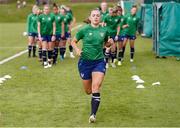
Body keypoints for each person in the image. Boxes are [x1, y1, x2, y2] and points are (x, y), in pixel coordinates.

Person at [71, 9, 113, 123]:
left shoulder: (104, 30)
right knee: (88, 91)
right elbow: (73, 41)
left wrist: (111, 42)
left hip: (99, 62)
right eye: (93, 15)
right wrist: (77, 49)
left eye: (98, 16)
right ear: (90, 17)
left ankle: (93, 115)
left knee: (96, 87)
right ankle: (93, 99)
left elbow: (106, 44)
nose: (96, 17)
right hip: (85, 62)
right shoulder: (84, 30)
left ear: (100, 18)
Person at [37, 4, 56, 68]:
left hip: (50, 34)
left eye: (47, 9)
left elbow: (54, 26)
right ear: (43, 9)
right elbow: (38, 26)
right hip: (43, 34)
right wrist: (39, 34)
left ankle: (49, 61)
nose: (46, 10)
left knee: (50, 48)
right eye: (45, 9)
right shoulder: (40, 16)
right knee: (44, 48)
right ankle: (45, 62)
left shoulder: (52, 16)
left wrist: (53, 35)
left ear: (49, 10)